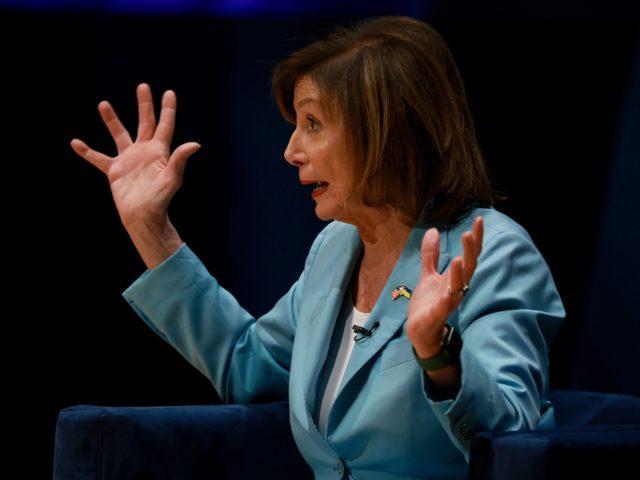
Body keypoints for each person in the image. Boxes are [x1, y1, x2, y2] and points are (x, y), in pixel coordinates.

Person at [70, 15, 565, 480]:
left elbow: (513, 439)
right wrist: (150, 229)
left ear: (385, 131)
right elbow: (249, 368)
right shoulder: (336, 245)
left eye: (312, 124)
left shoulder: (493, 251)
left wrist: (438, 354)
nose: (291, 151)